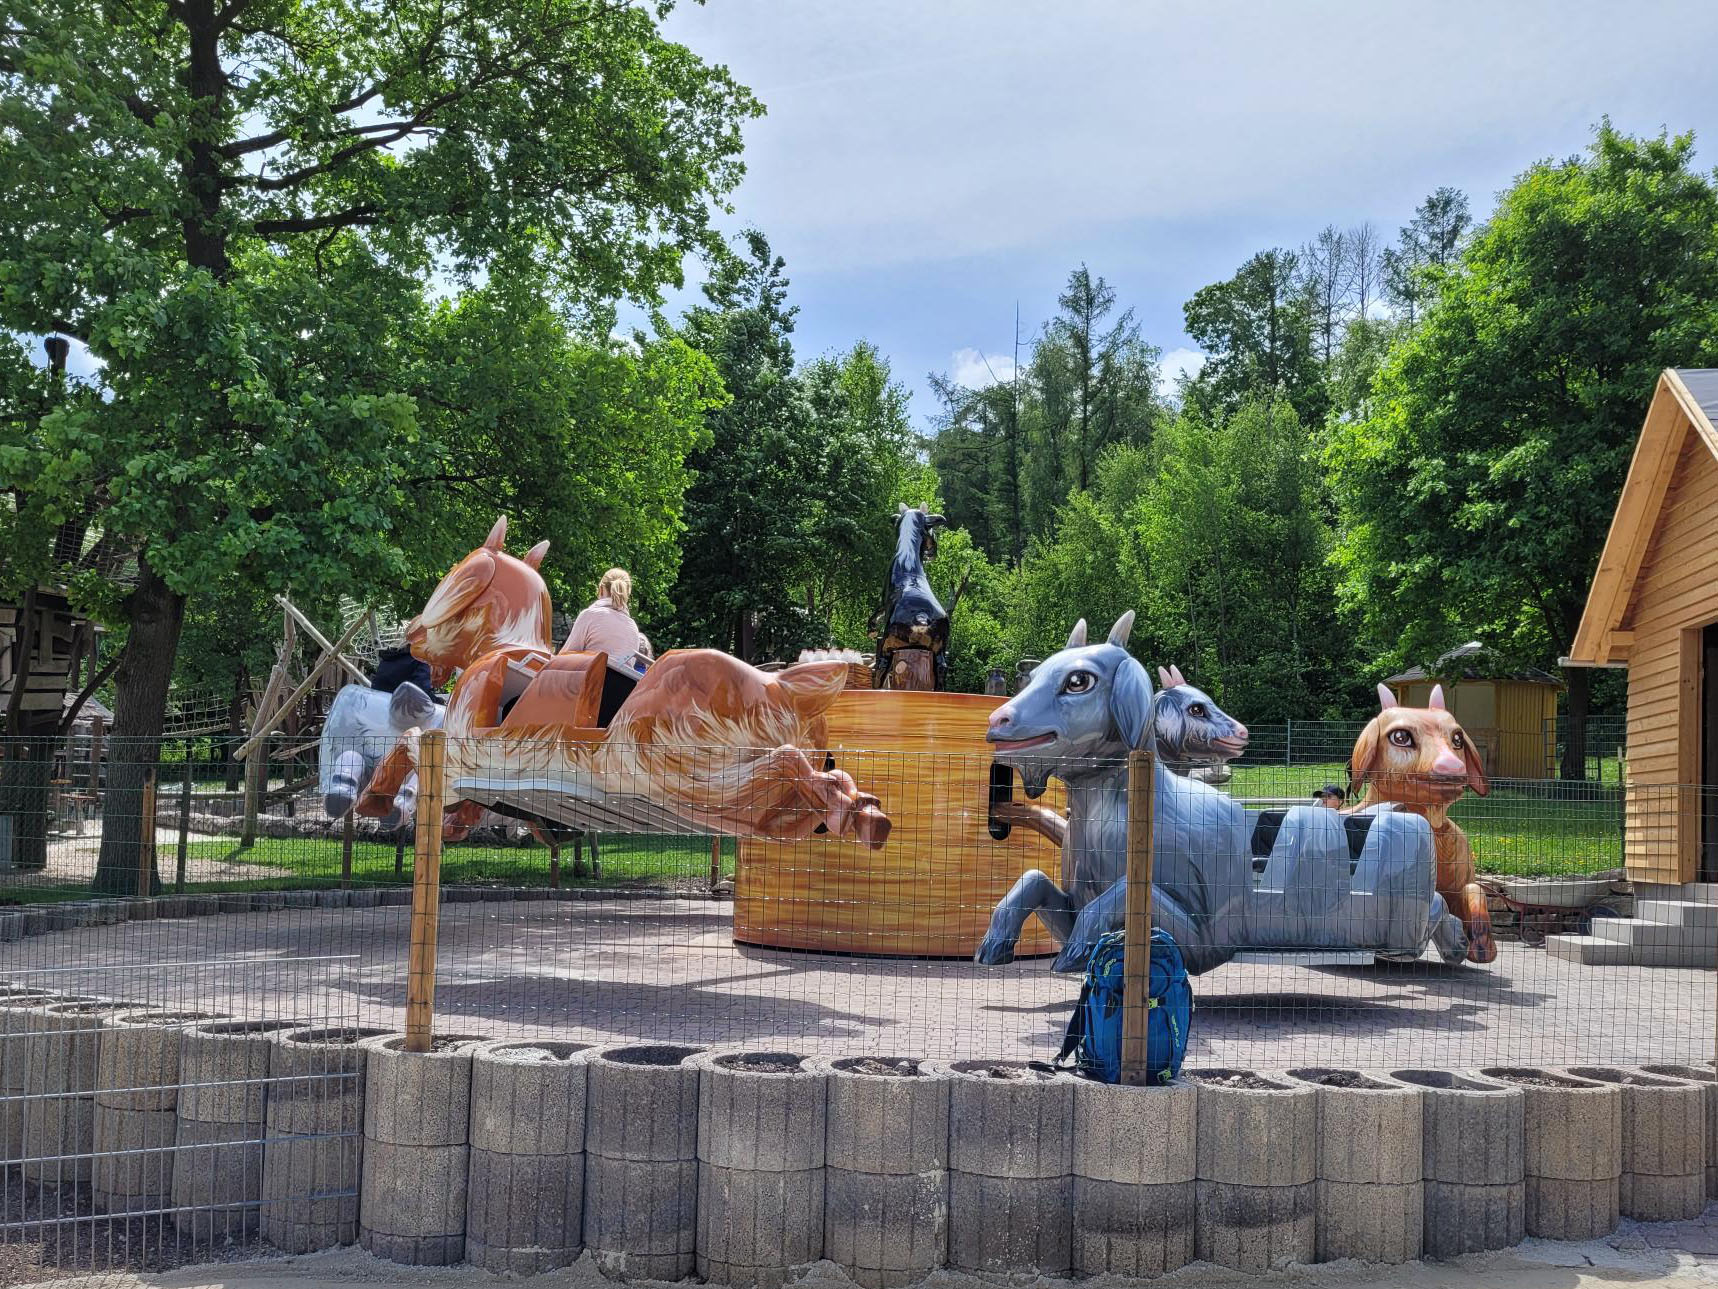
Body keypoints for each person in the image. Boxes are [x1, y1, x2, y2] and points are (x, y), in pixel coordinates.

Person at [565, 568, 647, 723]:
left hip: (588, 698)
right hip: (617, 706)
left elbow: (566, 656)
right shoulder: (633, 627)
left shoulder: (590, 615)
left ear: (601, 589)